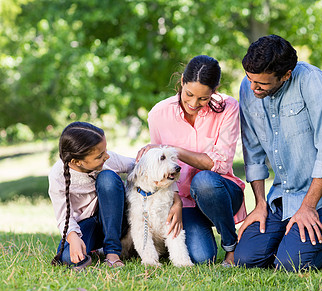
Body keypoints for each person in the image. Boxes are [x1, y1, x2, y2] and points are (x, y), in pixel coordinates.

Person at [234, 35, 322, 271]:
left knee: (290, 263)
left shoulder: (312, 81)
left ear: (286, 75)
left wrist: (307, 207)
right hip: (282, 195)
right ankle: (290, 237)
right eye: (250, 79)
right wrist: (260, 204)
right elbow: (252, 153)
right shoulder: (248, 88)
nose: (253, 88)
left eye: (261, 83)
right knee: (247, 259)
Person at [137, 55, 246, 266]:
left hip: (220, 193)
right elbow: (161, 171)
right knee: (202, 257)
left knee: (204, 181)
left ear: (214, 91)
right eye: (189, 94)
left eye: (203, 98)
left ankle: (231, 245)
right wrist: (175, 201)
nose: (194, 103)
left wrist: (175, 150)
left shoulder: (229, 108)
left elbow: (220, 164)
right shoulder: (159, 114)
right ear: (181, 82)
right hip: (184, 201)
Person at [48, 121, 183, 269]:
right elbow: (63, 217)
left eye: (105, 151)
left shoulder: (109, 160)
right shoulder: (57, 176)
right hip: (87, 224)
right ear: (77, 162)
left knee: (108, 178)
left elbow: (148, 169)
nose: (106, 157)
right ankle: (99, 246)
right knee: (68, 258)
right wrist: (72, 237)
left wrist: (176, 198)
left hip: (118, 220)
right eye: (100, 156)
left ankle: (112, 252)